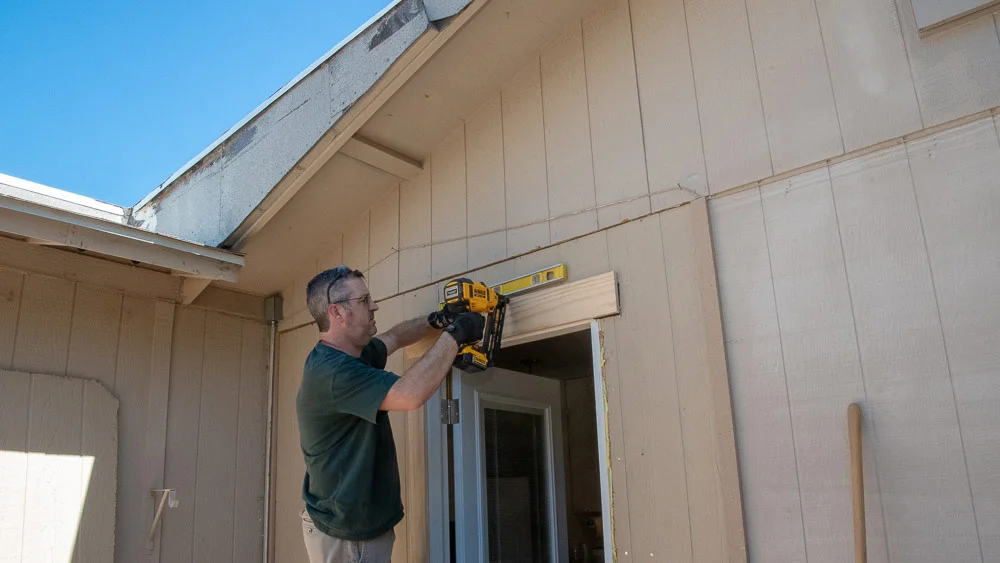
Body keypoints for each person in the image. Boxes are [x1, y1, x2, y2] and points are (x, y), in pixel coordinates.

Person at [296, 265, 484, 563]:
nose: (374, 305)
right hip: (347, 534)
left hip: (356, 522)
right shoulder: (333, 372)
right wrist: (455, 335)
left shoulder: (351, 354)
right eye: (364, 300)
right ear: (337, 313)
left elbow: (395, 336)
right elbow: (409, 395)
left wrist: (437, 320)